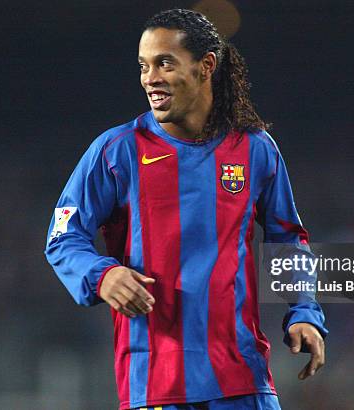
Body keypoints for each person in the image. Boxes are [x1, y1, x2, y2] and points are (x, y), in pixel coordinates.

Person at [45, 9, 327, 410]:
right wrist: (101, 275)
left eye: (165, 63)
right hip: (155, 383)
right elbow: (62, 237)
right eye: (144, 66)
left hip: (243, 380)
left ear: (206, 66)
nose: (150, 78)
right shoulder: (117, 151)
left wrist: (304, 311)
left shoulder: (255, 148)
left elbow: (287, 239)